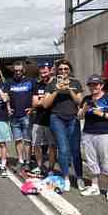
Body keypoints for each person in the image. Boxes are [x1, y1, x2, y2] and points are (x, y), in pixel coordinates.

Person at [41, 59, 85, 193]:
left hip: (72, 118)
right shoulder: (52, 83)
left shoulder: (75, 83)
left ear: (69, 70)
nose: (63, 71)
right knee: (63, 149)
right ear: (57, 71)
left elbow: (80, 102)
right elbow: (45, 104)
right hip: (57, 118)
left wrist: (70, 90)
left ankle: (79, 177)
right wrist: (57, 90)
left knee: (75, 150)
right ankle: (66, 178)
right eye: (61, 69)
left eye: (66, 69)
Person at [78, 74, 108, 201]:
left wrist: (101, 113)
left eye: (96, 85)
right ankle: (94, 186)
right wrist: (84, 109)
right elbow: (79, 116)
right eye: (91, 85)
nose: (93, 87)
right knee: (91, 161)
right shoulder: (86, 99)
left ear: (101, 85)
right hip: (88, 133)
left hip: (105, 133)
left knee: (106, 161)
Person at [7, 61, 35, 169]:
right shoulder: (9, 82)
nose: (18, 72)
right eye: (16, 70)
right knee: (18, 140)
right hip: (14, 116)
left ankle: (28, 161)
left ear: (23, 70)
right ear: (13, 71)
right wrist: (8, 107)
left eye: (20, 70)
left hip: (26, 115)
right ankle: (20, 160)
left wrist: (32, 108)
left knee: (27, 140)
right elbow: (7, 97)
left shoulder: (30, 81)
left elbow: (35, 96)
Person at [31, 60, 57, 176]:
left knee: (52, 145)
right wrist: (46, 101)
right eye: (41, 72)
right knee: (36, 145)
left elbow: (53, 103)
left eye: (45, 71)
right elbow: (34, 103)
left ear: (51, 70)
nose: (43, 74)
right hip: (38, 119)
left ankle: (51, 169)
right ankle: (40, 166)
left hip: (52, 119)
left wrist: (42, 101)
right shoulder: (38, 84)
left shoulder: (56, 84)